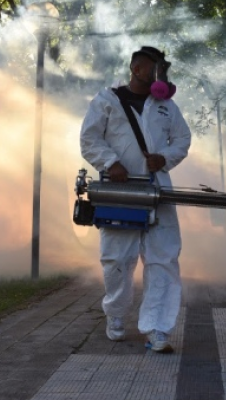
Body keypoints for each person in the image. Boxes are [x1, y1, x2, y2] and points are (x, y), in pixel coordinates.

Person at [80, 46, 192, 353]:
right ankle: (116, 315)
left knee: (163, 259)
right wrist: (110, 162)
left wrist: (164, 158)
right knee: (117, 259)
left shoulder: (167, 106)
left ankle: (157, 328)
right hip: (120, 192)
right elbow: (89, 139)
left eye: (163, 71)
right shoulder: (107, 100)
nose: (161, 76)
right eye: (156, 69)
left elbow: (182, 139)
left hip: (157, 190)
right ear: (137, 69)